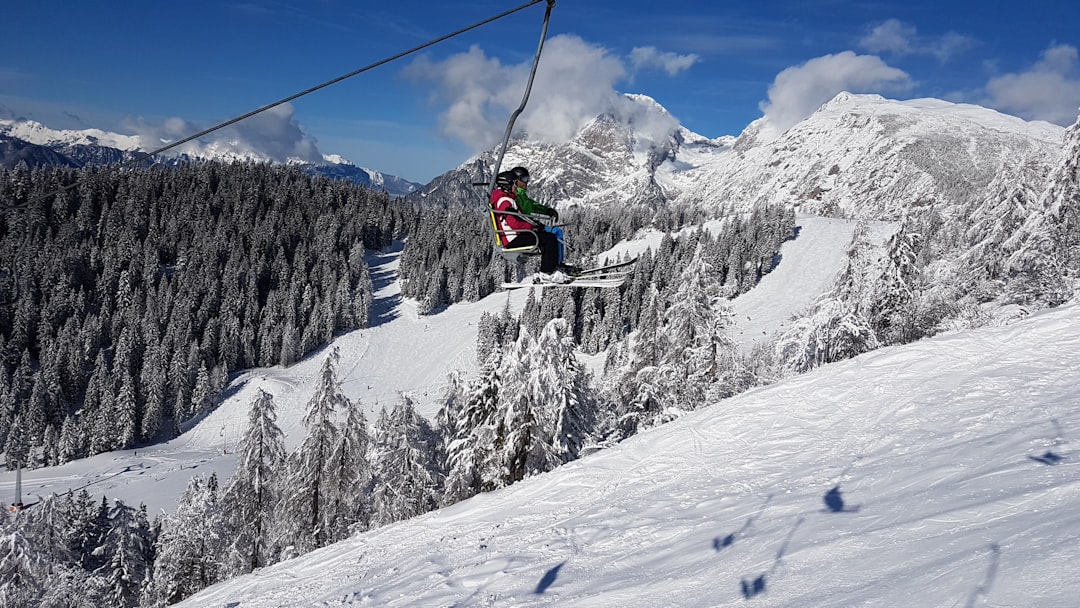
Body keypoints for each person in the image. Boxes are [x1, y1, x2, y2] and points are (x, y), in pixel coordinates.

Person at [490, 166, 575, 283]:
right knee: (549, 238)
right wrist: (533, 227)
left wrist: (537, 221)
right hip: (513, 237)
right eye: (516, 183)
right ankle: (547, 272)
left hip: (517, 234)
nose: (519, 185)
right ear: (508, 185)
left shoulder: (510, 198)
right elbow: (513, 222)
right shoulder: (506, 201)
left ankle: (551, 268)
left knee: (549, 237)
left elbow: (522, 214)